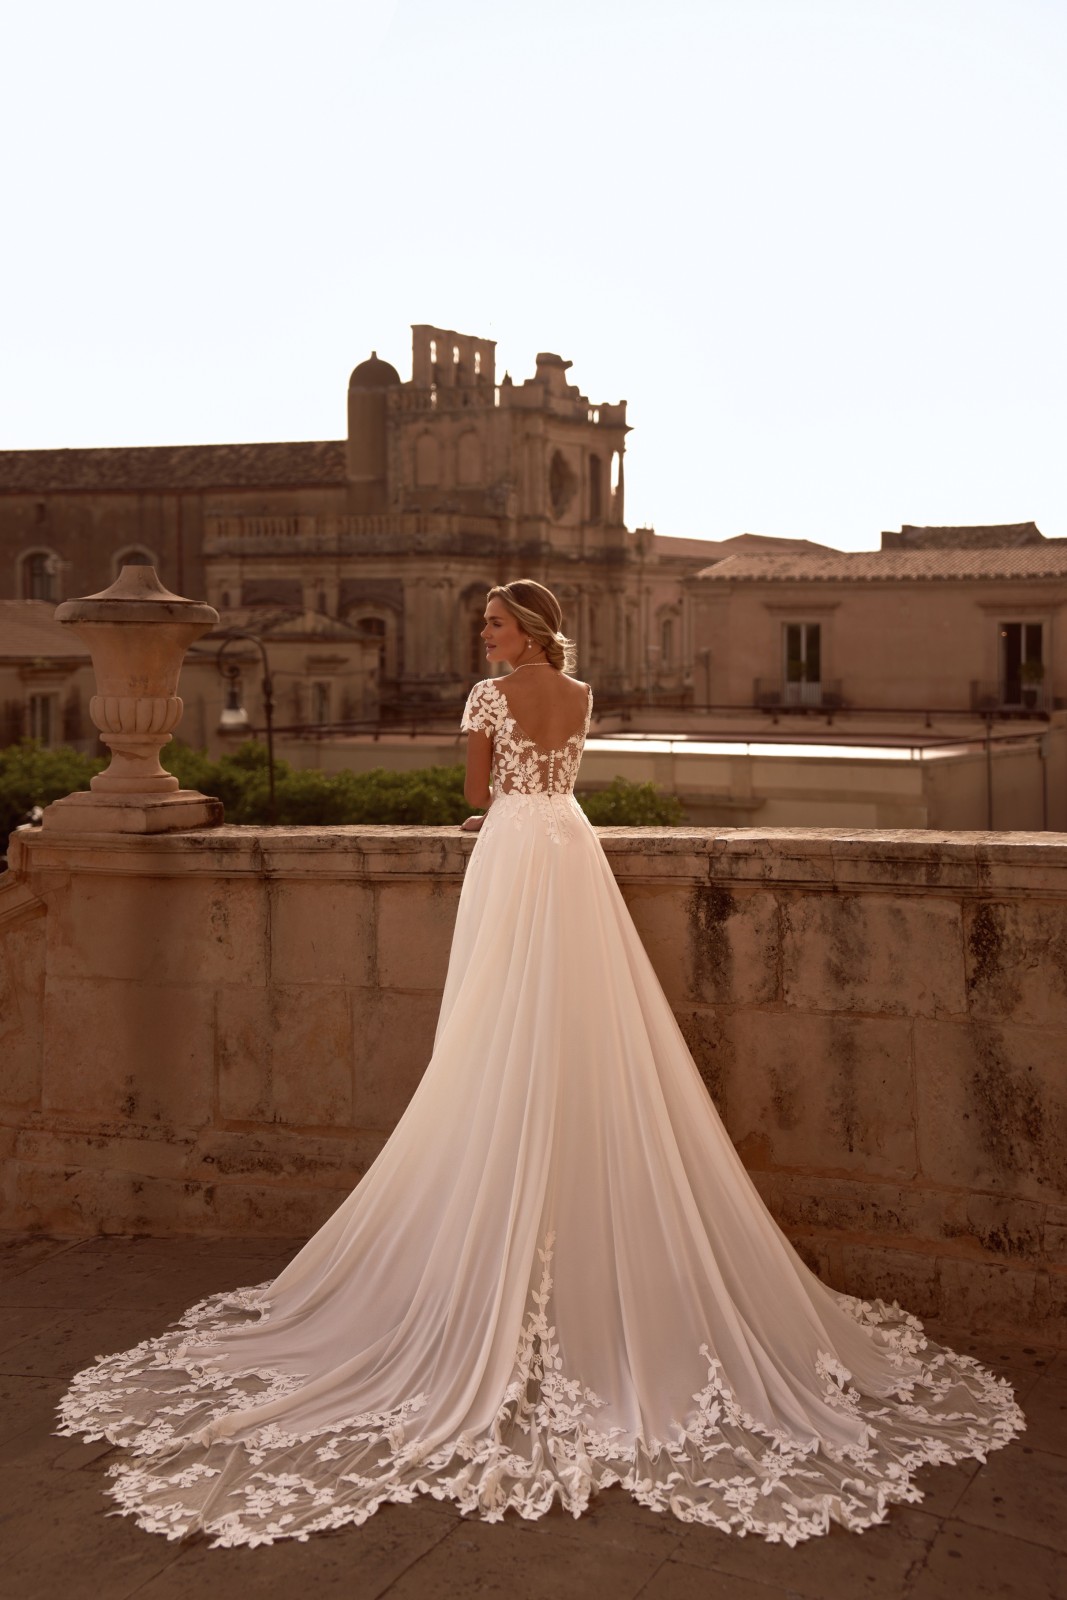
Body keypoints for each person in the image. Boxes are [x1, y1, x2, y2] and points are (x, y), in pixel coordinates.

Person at [58, 580, 1022, 1548]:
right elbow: (552, 780)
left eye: (494, 623)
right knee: (583, 1027)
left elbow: (478, 795)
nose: (483, 635)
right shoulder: (584, 694)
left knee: (493, 1030)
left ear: (527, 629)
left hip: (514, 855)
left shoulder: (487, 699)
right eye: (484, 624)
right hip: (570, 852)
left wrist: (489, 794)